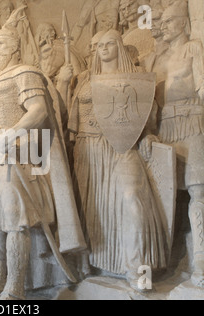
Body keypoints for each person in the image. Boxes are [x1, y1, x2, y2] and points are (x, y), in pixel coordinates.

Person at [0, 25, 84, 300]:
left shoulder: (25, 72)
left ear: (16, 48)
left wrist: (11, 134)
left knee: (15, 219)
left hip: (17, 155)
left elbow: (38, 110)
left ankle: (15, 287)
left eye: (1, 44)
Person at [64, 30, 167, 291]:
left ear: (120, 47)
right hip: (88, 149)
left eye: (111, 44)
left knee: (133, 201)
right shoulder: (85, 79)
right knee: (90, 209)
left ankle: (139, 272)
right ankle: (88, 264)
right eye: (100, 45)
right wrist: (64, 85)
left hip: (122, 146)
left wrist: (149, 136)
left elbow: (147, 118)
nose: (105, 49)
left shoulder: (136, 78)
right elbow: (70, 122)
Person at [158, 2, 204, 288]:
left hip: (192, 121)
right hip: (166, 128)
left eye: (169, 21)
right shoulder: (158, 57)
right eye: (161, 22)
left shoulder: (193, 48)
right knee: (166, 196)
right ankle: (169, 264)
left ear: (184, 23)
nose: (163, 26)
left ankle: (201, 263)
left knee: (198, 191)